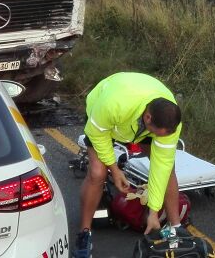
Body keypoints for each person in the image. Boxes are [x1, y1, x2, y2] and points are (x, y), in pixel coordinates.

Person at [73, 72, 183, 258]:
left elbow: (160, 167)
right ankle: (84, 234)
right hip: (106, 118)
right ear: (147, 118)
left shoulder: (169, 123)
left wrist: (154, 212)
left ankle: (177, 229)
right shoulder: (112, 104)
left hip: (141, 121)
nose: (161, 139)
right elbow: (98, 135)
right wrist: (114, 170)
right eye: (158, 134)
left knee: (168, 169)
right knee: (98, 173)